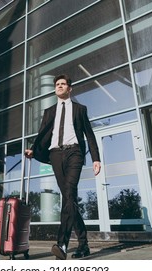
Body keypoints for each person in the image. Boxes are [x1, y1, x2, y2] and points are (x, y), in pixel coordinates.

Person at [25, 74, 101, 260]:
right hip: (56, 155)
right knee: (69, 198)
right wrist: (34, 150)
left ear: (70, 88)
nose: (59, 86)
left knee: (69, 191)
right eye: (57, 84)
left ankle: (62, 244)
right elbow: (42, 133)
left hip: (74, 152)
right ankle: (83, 245)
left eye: (63, 84)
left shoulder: (80, 109)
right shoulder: (49, 111)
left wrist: (96, 158)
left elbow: (89, 135)